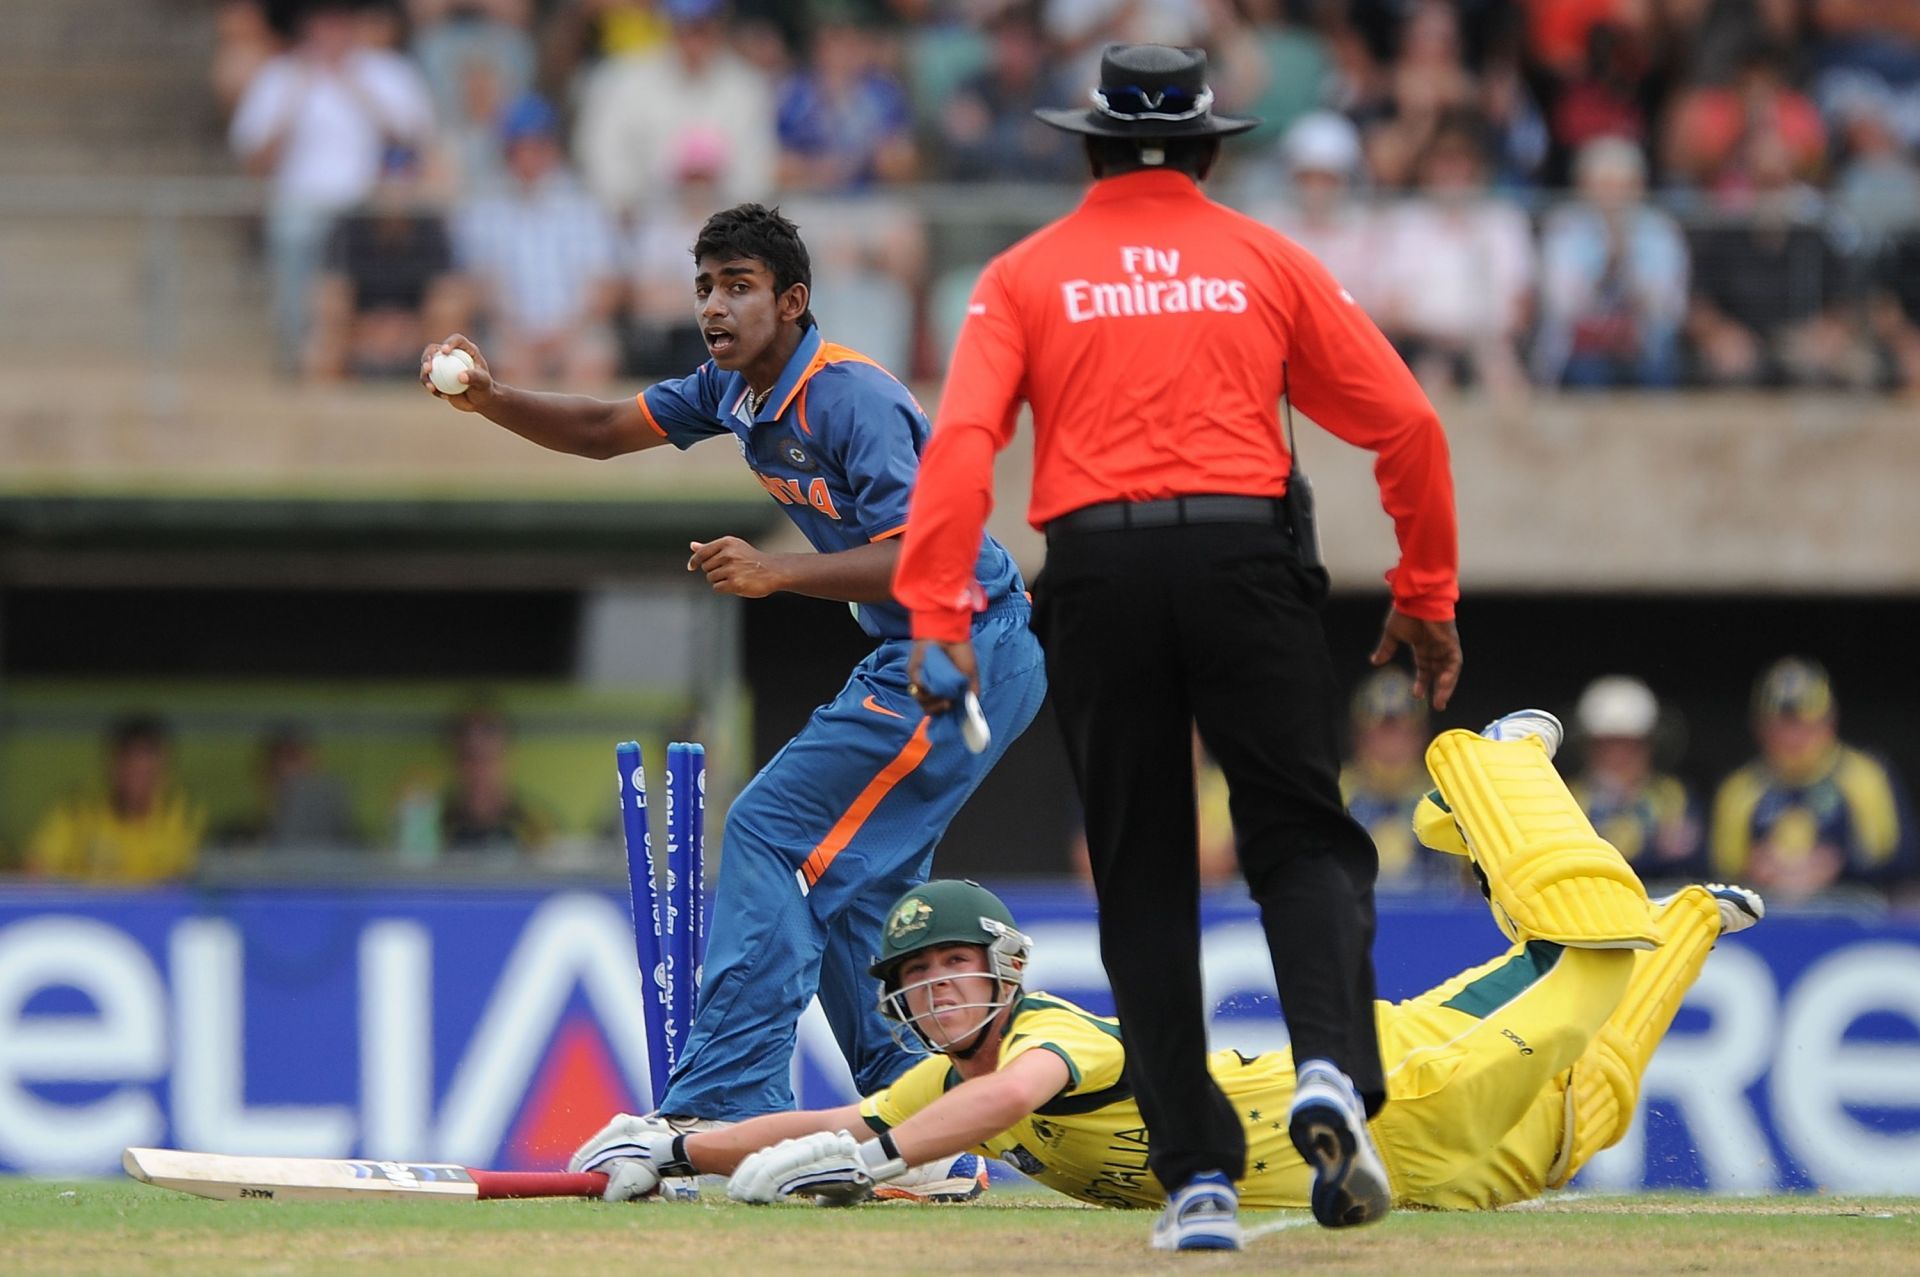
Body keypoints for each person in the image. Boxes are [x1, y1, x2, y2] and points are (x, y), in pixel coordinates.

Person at [888, 44, 1464, 1250]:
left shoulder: (1025, 272)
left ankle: (1196, 1176)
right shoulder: (1266, 258)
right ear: (1211, 149)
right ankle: (1329, 1076)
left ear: (1090, 146)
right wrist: (1425, 592)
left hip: (1096, 567)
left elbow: (960, 446)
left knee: (1142, 872)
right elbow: (1409, 422)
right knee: (1299, 836)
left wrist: (938, 618)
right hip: (1246, 561)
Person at [420, 203, 1048, 1196]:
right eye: (705, 284)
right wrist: (491, 395)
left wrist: (776, 574)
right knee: (851, 892)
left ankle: (724, 1106)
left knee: (764, 828)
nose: (715, 304)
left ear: (792, 301)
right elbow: (597, 429)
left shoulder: (849, 398)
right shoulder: (730, 388)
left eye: (739, 285)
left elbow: (924, 559)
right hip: (925, 657)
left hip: (957, 649)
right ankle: (911, 1137)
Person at [571, 714, 1764, 1236]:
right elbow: (831, 1115)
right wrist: (671, 1142)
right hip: (1410, 1174)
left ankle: (1494, 765)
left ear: (1004, 971)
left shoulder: (1046, 1034)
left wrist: (881, 1156)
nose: (937, 994)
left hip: (1403, 1078)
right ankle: (1699, 918)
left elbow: (997, 1101)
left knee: (1587, 948)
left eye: (954, 970)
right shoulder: (938, 1080)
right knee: (1576, 1121)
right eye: (917, 978)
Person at [1710, 658, 1914, 903]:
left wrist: (1838, 865)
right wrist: (1751, 868)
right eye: (1780, 726)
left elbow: (1902, 861)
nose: (1792, 738)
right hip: (1764, 923)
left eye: (1804, 725)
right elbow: (1715, 870)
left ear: (1830, 721)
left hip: (1856, 923)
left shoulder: (1866, 776)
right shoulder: (1739, 789)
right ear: (1759, 728)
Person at [26, 714, 207, 883]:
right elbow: (34, 872)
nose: (136, 777)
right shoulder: (77, 812)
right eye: (128, 766)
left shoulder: (185, 817)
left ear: (165, 770)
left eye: (145, 772)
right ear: (110, 766)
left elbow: (203, 882)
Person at [1568, 675, 1702, 883]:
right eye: (1607, 745)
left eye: (1630, 746)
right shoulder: (1566, 796)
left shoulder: (1673, 795)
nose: (1618, 757)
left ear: (1649, 744)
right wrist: (1653, 849)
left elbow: (1694, 859)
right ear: (1588, 746)